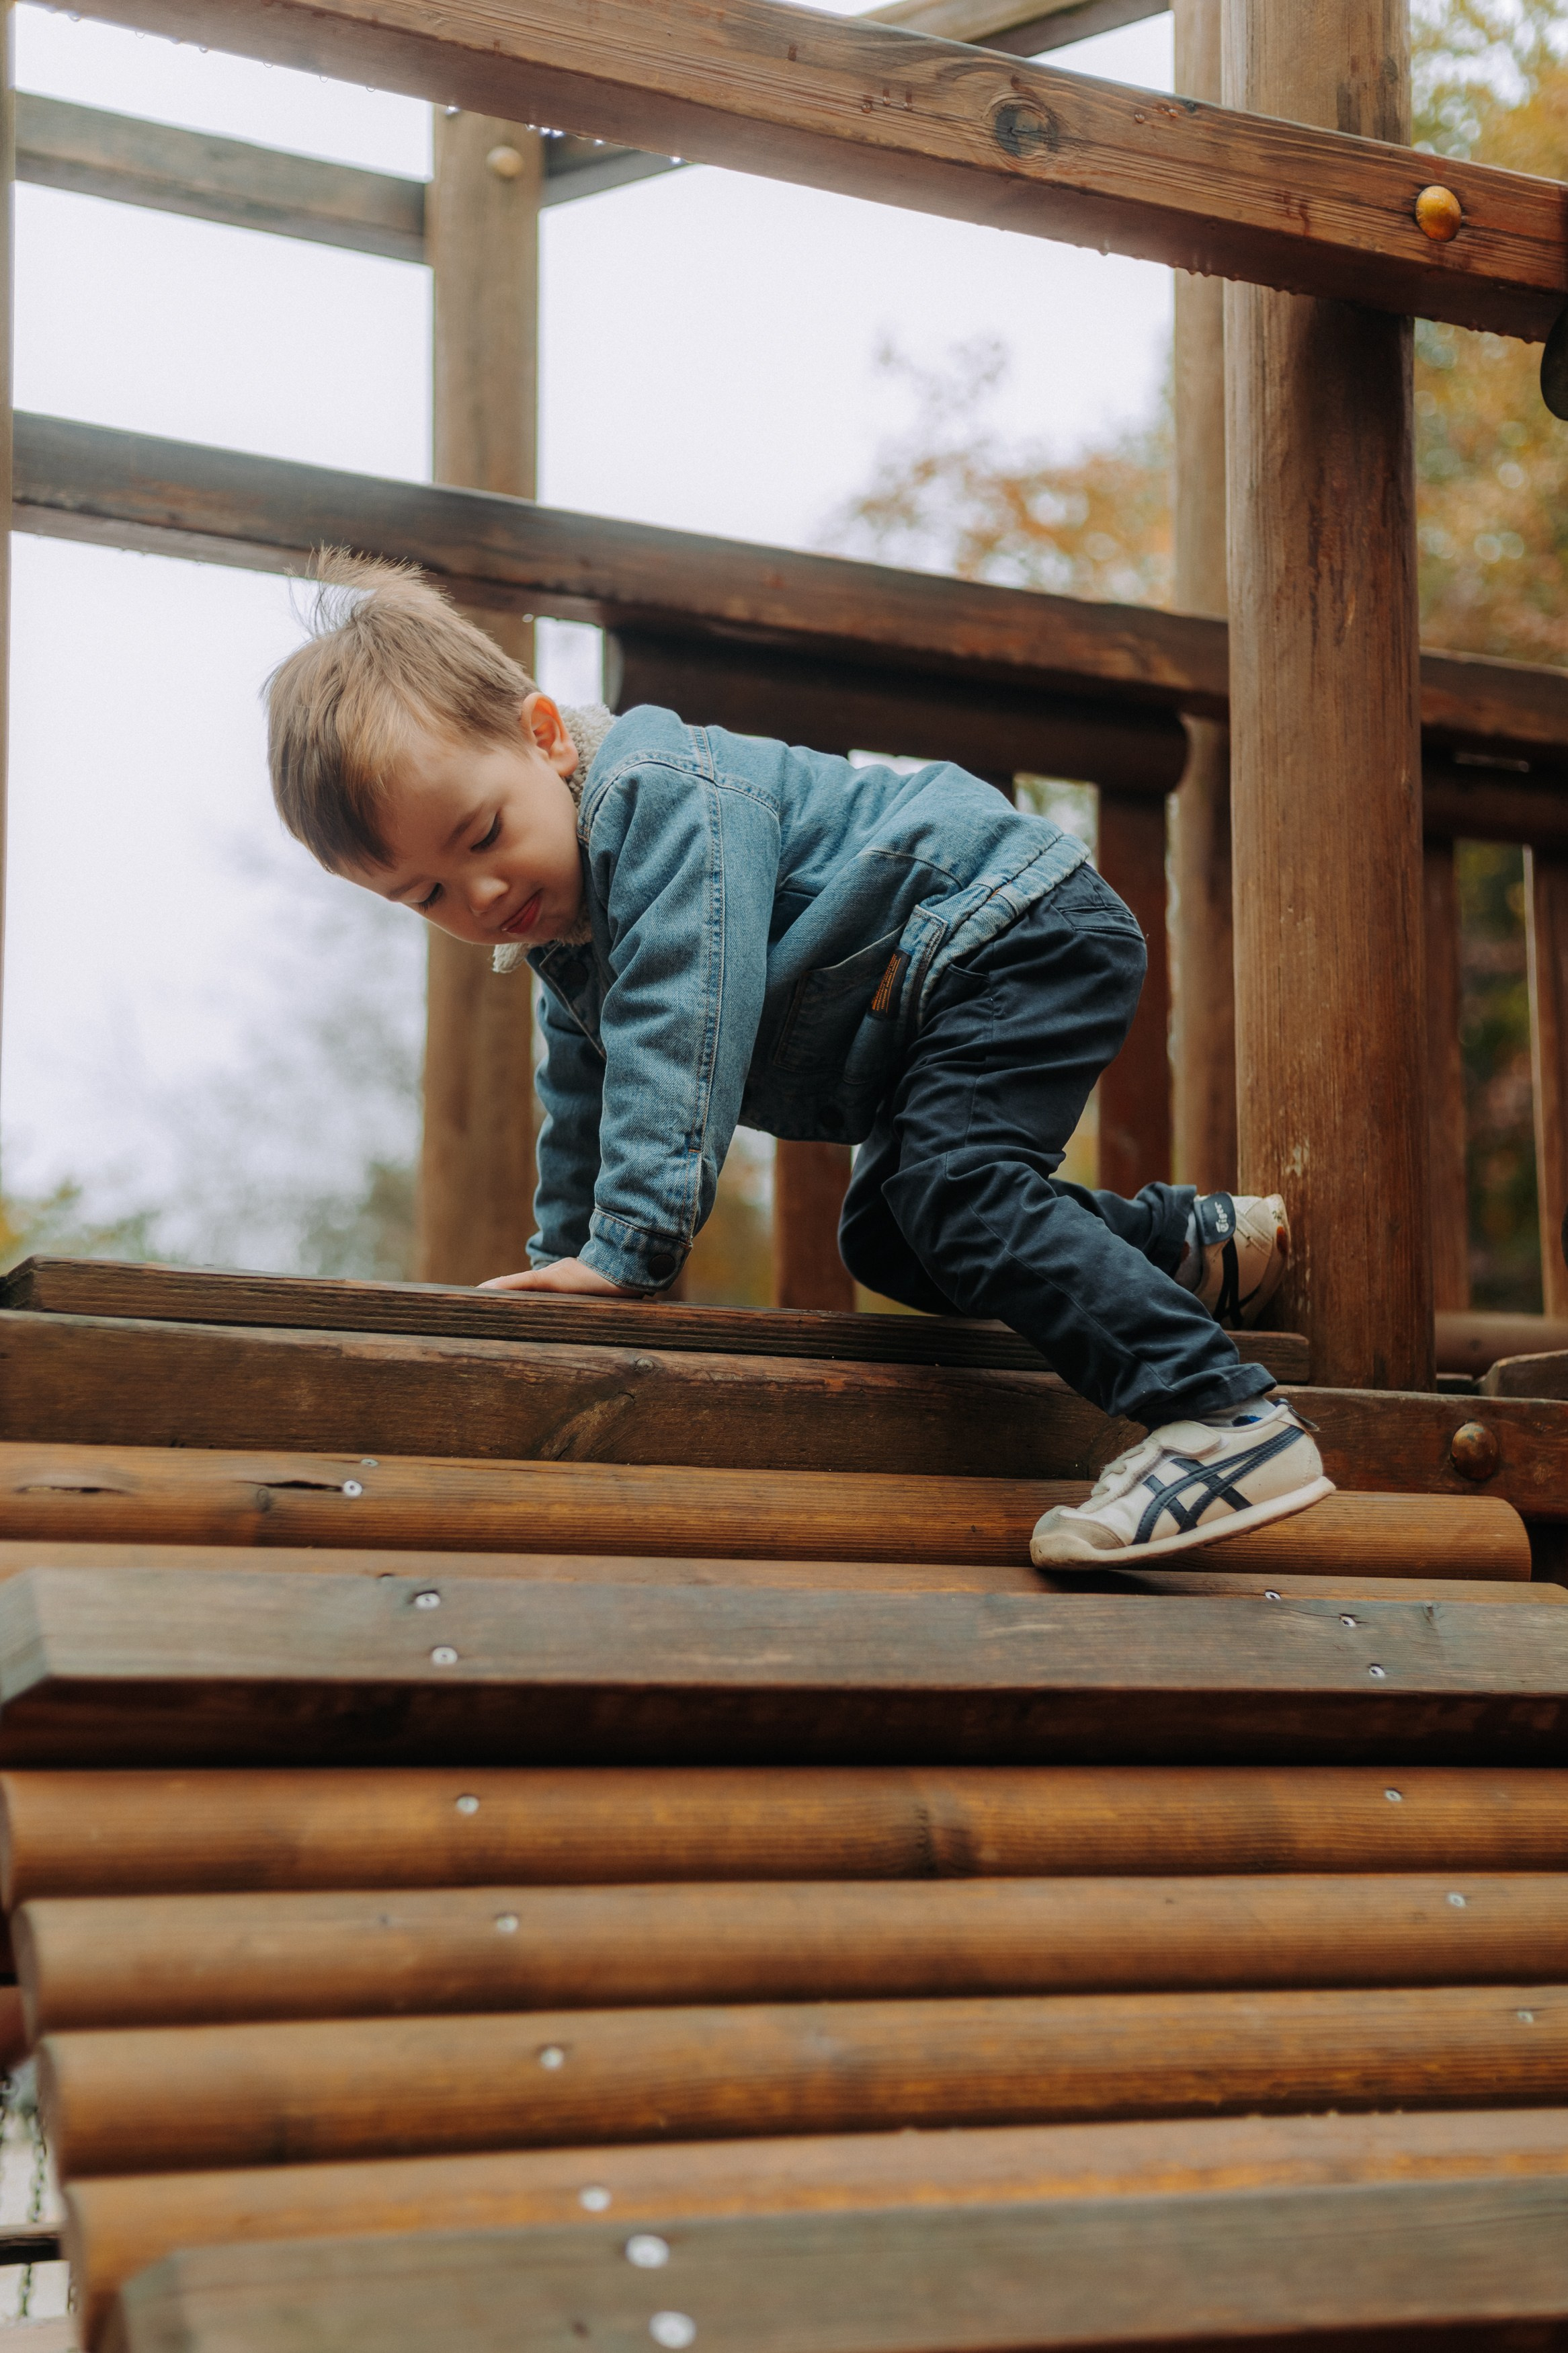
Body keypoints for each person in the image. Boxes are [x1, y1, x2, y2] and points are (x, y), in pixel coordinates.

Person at [265, 558, 1333, 1566]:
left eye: (484, 834)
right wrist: (564, 1271)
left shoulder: (655, 798)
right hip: (946, 979)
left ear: (544, 737)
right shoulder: (564, 935)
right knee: (898, 1237)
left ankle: (1216, 1415)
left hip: (1010, 929)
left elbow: (675, 1022)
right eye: (430, 897)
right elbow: (580, 1098)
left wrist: (629, 1247)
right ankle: (1184, 1250)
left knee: (951, 1192)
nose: (482, 895)